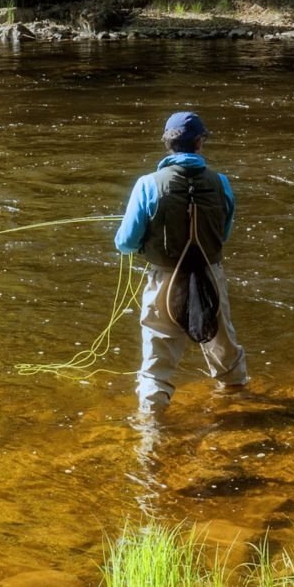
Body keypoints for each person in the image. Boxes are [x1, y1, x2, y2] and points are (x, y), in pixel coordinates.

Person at [114, 111, 248, 416]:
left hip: (164, 280)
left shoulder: (147, 184)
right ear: (200, 143)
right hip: (210, 277)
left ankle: (152, 434)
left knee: (156, 364)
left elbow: (124, 243)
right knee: (225, 351)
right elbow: (222, 233)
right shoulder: (221, 183)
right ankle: (238, 409)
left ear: (167, 144)